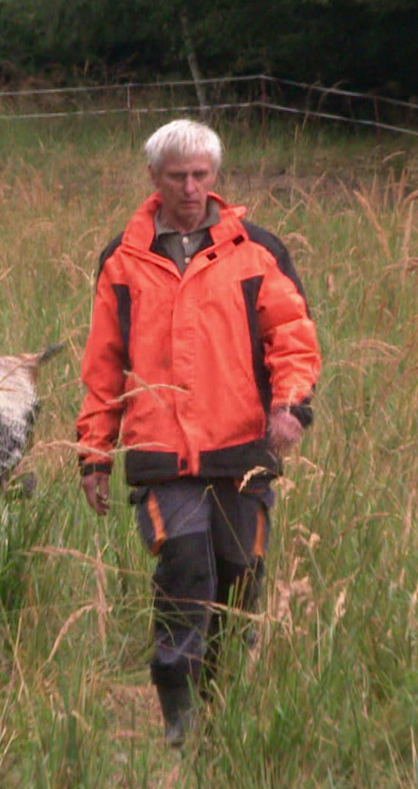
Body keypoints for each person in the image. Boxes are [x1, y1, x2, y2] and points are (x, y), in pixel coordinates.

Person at [75, 119, 321, 747]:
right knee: (184, 570)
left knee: (239, 575)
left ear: (215, 175)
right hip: (160, 453)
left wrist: (290, 406)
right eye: (177, 176)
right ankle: (180, 719)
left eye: (200, 175)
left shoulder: (256, 250)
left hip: (243, 449)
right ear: (153, 178)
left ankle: (223, 698)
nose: (190, 188)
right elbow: (103, 365)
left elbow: (292, 337)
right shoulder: (122, 260)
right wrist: (94, 454)